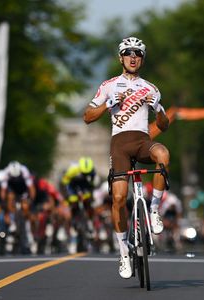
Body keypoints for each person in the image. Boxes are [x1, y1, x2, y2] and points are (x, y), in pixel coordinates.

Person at [83, 37, 170, 279]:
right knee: (119, 198)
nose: (133, 57)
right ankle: (123, 252)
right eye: (128, 53)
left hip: (142, 141)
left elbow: (164, 125)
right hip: (119, 144)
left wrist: (159, 109)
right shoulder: (109, 85)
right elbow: (87, 116)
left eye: (138, 54)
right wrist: (107, 105)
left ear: (142, 59)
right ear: (121, 58)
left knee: (163, 154)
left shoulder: (151, 88)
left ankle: (153, 210)